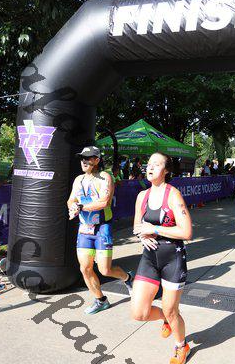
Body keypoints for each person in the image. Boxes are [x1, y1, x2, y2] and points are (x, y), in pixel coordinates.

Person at [131, 152, 193, 364]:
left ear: (166, 170)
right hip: (149, 258)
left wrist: (155, 229)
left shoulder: (173, 195)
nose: (150, 167)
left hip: (172, 259)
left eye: (156, 164)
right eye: (149, 164)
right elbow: (137, 226)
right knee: (139, 313)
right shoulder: (142, 196)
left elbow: (186, 232)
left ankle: (181, 346)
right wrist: (142, 235)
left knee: (171, 309)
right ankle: (167, 318)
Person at [67, 146, 133, 315]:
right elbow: (71, 200)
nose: (84, 161)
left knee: (105, 270)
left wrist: (81, 207)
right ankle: (101, 300)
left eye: (88, 158)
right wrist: (72, 207)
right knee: (85, 268)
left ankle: (128, 278)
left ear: (96, 160)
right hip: (84, 229)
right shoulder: (78, 179)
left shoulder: (105, 177)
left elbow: (104, 202)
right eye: (82, 158)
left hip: (102, 228)